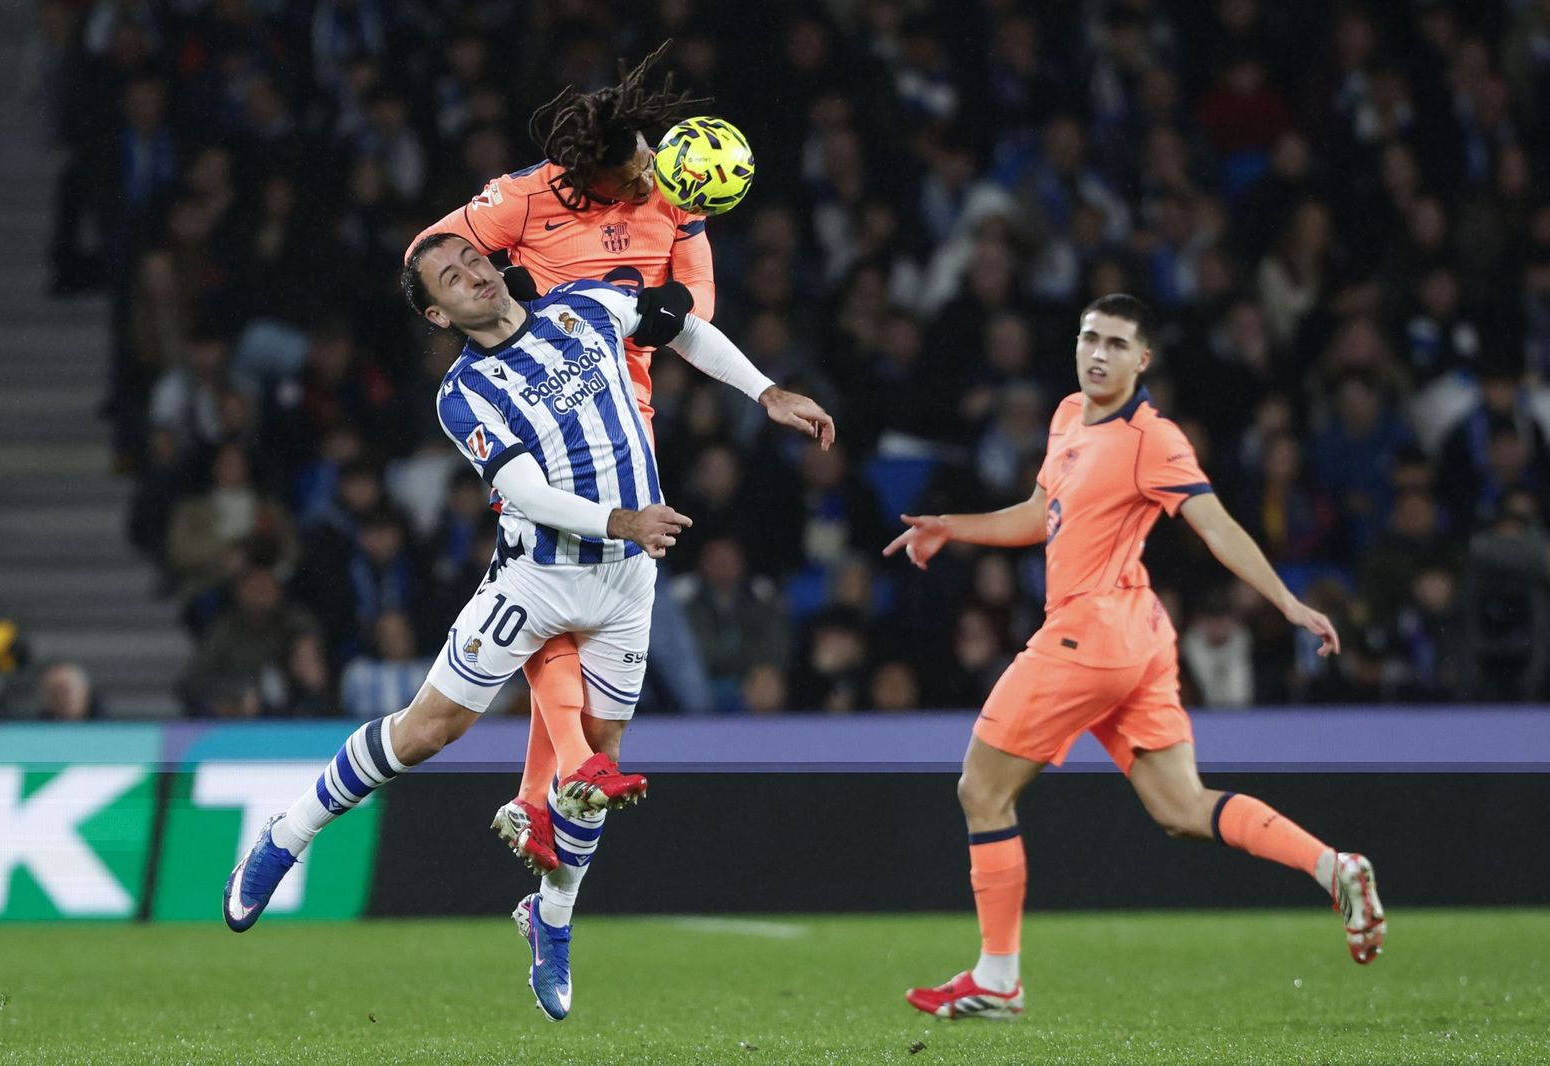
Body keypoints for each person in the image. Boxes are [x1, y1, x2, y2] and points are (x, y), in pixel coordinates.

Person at [223, 241, 832, 1025]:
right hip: (537, 581)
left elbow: (680, 327)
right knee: (427, 731)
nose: (475, 275)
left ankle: (551, 916)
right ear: (439, 314)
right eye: (452, 280)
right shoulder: (464, 393)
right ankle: (288, 833)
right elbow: (522, 490)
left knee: (599, 767)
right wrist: (621, 519)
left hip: (626, 582)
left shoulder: (583, 306)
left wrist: (766, 391)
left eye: (474, 262)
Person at [884, 294, 1384, 1021]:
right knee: (1181, 806)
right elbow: (1039, 514)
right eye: (1090, 337)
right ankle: (1334, 867)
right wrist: (952, 528)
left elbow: (1215, 526)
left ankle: (998, 978)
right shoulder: (1065, 415)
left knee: (981, 789)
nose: (1097, 353)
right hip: (1137, 635)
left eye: (1117, 344)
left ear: (1143, 359)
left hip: (1092, 633)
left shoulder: (1154, 439)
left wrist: (1288, 603)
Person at [407, 41, 824, 874]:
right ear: (582, 183)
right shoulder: (522, 201)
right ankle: (550, 788)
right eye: (632, 181)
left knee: (574, 595)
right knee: (551, 575)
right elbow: (435, 256)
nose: (649, 186)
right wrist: (514, 299)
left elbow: (691, 310)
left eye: (650, 169)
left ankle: (536, 803)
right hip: (537, 401)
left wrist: (739, 366)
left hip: (621, 404)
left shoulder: (673, 190)